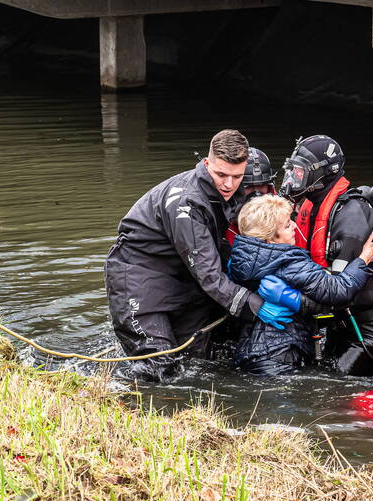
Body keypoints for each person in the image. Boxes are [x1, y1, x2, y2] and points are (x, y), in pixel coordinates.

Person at [104, 130, 293, 381]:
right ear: (207, 164)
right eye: (220, 174)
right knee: (159, 368)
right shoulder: (187, 204)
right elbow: (210, 275)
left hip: (182, 279)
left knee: (194, 366)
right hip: (139, 277)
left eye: (236, 177)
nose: (228, 184)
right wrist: (256, 306)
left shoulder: (233, 192)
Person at [278, 134, 373, 375]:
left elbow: (338, 292)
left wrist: (287, 299)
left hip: (372, 329)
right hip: (341, 323)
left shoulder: (351, 215)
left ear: (323, 173)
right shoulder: (310, 207)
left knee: (334, 383)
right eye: (292, 171)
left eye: (300, 173)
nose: (293, 179)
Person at [227, 195, 373, 374]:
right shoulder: (289, 261)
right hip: (280, 355)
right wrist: (362, 260)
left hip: (249, 350)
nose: (294, 226)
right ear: (270, 239)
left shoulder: (240, 259)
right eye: (286, 225)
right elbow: (338, 291)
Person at [225, 146, 275, 246]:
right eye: (249, 187)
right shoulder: (221, 220)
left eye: (261, 186)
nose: (256, 193)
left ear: (269, 187)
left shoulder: (282, 216)